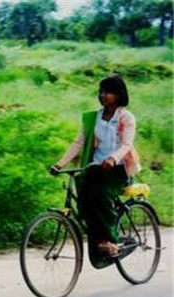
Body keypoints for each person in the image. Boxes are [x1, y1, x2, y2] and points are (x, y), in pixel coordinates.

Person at [51, 75, 140, 259]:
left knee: (99, 193)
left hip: (118, 170)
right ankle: (95, 232)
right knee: (82, 186)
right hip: (95, 168)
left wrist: (113, 159)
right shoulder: (93, 118)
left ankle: (111, 242)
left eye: (107, 92)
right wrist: (60, 164)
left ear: (118, 94)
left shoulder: (126, 117)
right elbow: (78, 143)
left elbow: (126, 145)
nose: (102, 95)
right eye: (100, 91)